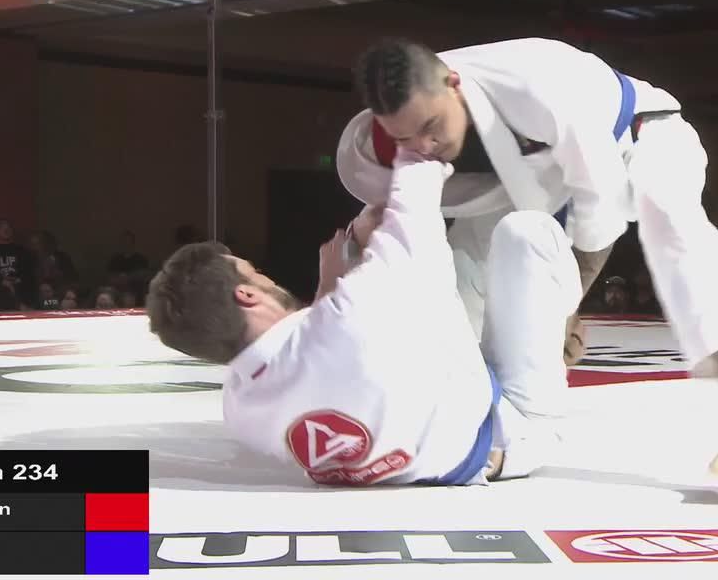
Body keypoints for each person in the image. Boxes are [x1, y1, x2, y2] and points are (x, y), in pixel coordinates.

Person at [337, 37, 718, 476]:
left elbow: (600, 206)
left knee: (671, 219)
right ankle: (464, 415)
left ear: (453, 83)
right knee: (462, 263)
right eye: (405, 137)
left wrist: (565, 312)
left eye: (432, 126)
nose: (425, 144)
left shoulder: (539, 85)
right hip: (533, 182)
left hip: (638, 135)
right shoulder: (388, 139)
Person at [146, 148, 582, 486]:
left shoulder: (241, 409)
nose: (266, 276)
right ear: (245, 295)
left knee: (463, 261)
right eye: (255, 273)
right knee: (525, 232)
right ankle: (565, 326)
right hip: (511, 430)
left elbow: (308, 360)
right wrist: (415, 139)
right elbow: (415, 209)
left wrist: (331, 285)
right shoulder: (350, 315)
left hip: (442, 418)